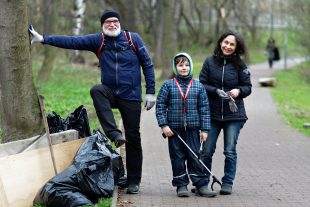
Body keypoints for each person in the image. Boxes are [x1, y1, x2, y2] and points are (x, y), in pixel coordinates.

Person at [29, 9, 156, 194]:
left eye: (114, 21)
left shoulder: (132, 39)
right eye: (107, 23)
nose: (112, 25)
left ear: (119, 23)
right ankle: (114, 134)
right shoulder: (99, 40)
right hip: (110, 92)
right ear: (102, 26)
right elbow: (73, 42)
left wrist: (151, 92)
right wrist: (43, 38)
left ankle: (134, 180)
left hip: (131, 96)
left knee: (134, 137)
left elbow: (148, 64)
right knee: (96, 90)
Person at [156, 52, 217, 198]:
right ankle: (181, 185)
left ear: (190, 66)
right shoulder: (168, 85)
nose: (184, 68)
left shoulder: (198, 86)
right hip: (174, 130)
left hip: (193, 128)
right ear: (175, 67)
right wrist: (164, 125)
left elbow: (204, 109)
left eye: (186, 65)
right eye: (180, 65)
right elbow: (160, 106)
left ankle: (201, 185)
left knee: (195, 156)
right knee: (177, 157)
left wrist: (205, 129)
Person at [199, 31, 252, 195]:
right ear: (220, 42)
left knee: (229, 150)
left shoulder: (240, 65)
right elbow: (201, 84)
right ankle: (202, 182)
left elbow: (248, 87)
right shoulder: (209, 62)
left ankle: (227, 183)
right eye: (226, 43)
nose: (227, 46)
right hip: (212, 114)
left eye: (232, 44)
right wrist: (215, 91)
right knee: (207, 150)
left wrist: (238, 91)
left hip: (234, 115)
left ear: (236, 48)